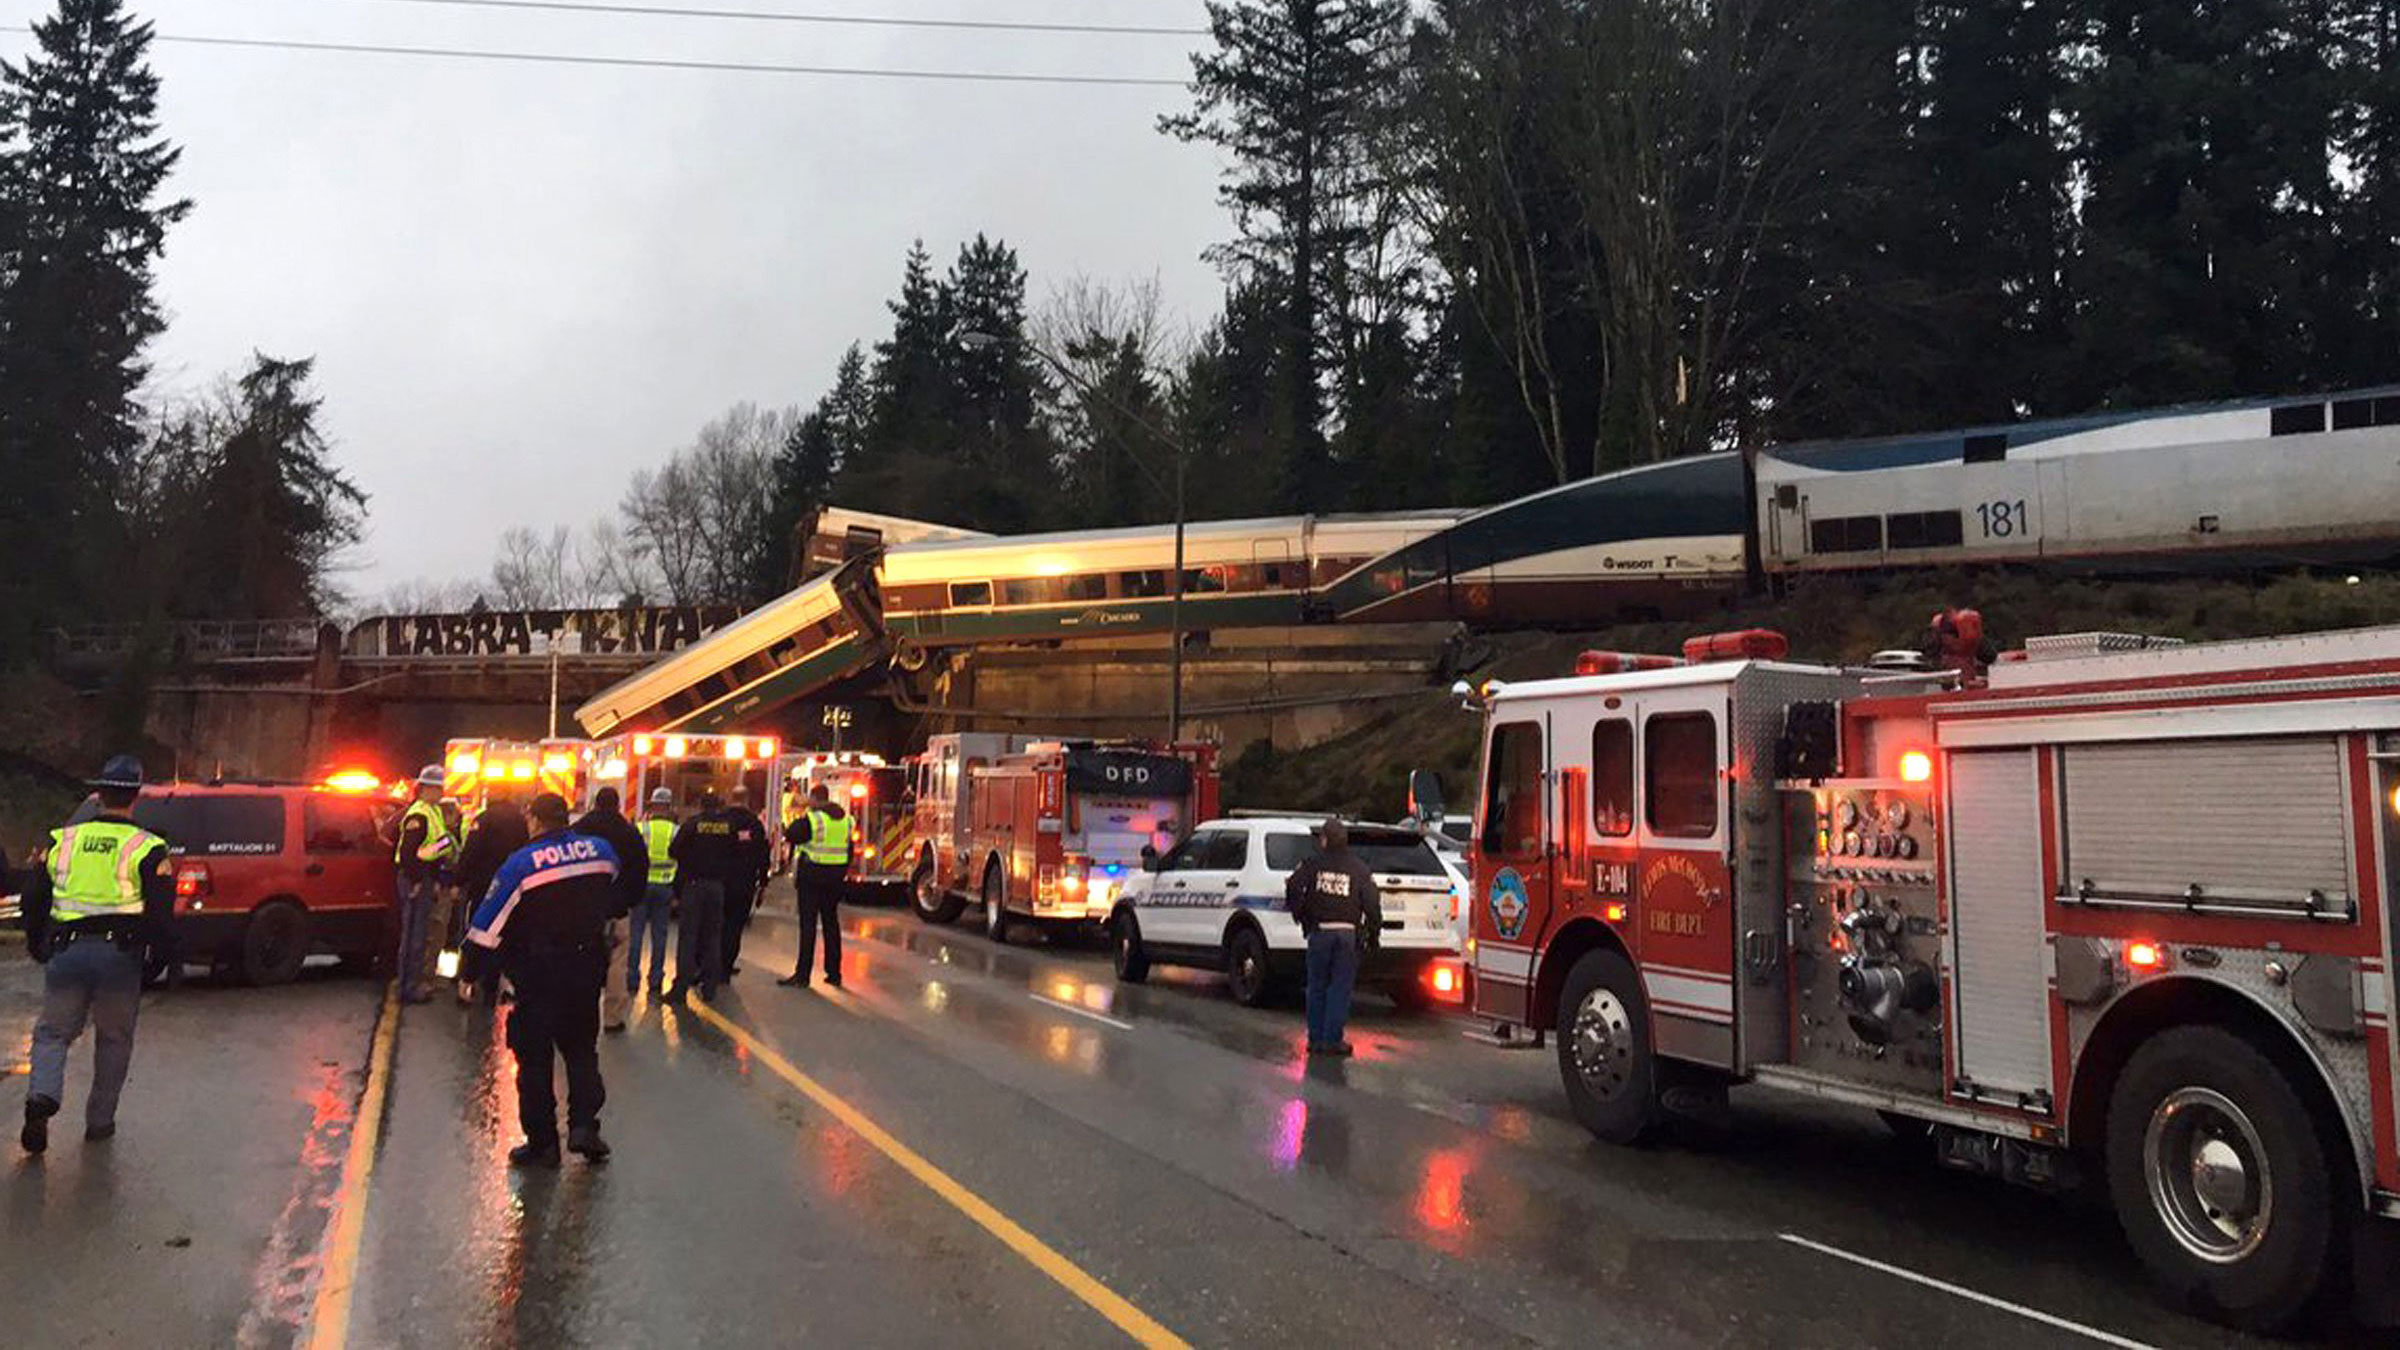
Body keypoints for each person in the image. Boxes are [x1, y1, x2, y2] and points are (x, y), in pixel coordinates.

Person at [21, 755, 174, 1154]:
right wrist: (158, 959)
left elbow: (33, 896)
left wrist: (37, 942)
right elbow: (160, 911)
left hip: (66, 952)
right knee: (113, 1040)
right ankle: (99, 1123)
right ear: (135, 797)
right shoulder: (148, 847)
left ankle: (42, 1098)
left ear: (99, 794)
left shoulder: (61, 840)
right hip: (119, 958)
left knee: (52, 1034)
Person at [466, 792, 617, 1167]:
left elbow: (486, 929)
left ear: (533, 819)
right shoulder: (600, 851)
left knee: (534, 1060)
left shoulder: (519, 866)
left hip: (539, 974)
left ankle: (543, 1144)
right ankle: (584, 1126)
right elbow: (616, 891)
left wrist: (470, 973)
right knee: (582, 1051)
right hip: (586, 969)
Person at [1282, 819, 1382, 1057]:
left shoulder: (1312, 865)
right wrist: (1373, 932)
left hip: (1320, 932)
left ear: (1325, 840)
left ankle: (1315, 1039)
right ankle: (1332, 1040)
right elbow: (1371, 902)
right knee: (1340, 987)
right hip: (1347, 933)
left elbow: (1293, 887)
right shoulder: (1358, 867)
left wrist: (1301, 914)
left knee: (1316, 986)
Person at [572, 786, 648, 1033]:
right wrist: (629, 901)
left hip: (582, 908)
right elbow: (640, 869)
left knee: (579, 960)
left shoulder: (579, 830)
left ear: (595, 803)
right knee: (617, 962)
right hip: (616, 908)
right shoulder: (628, 832)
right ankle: (612, 1018)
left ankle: (577, 1014)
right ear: (617, 805)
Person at [451, 790, 529, 1007]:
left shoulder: (483, 819)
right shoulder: (520, 820)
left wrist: (458, 880)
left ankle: (468, 981)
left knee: (478, 932)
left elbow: (471, 852)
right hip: (512, 886)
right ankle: (493, 984)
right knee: (505, 934)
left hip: (484, 885)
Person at [667, 790, 743, 1004]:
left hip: (694, 885)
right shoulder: (729, 826)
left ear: (700, 805)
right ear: (719, 805)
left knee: (689, 937)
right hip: (717, 887)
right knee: (712, 937)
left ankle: (681, 987)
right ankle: (710, 987)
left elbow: (674, 850)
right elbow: (736, 853)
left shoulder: (693, 825)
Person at [393, 765, 460, 1004]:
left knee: (419, 933)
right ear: (426, 789)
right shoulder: (419, 814)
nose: (442, 793)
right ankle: (408, 988)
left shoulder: (432, 812)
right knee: (414, 935)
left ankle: (411, 985)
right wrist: (418, 880)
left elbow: (432, 850)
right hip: (416, 880)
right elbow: (410, 853)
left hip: (425, 877)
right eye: (438, 788)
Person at [778, 783, 852, 990]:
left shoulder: (814, 818)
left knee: (808, 926)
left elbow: (791, 833)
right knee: (831, 924)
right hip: (835, 878)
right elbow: (849, 850)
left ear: (814, 799)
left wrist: (806, 811)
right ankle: (834, 973)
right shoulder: (846, 820)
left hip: (812, 877)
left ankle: (803, 975)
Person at [720, 785, 771, 978]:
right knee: (735, 926)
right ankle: (726, 966)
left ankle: (711, 965)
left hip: (721, 881)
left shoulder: (721, 820)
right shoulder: (755, 824)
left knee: (717, 924)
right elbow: (763, 855)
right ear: (747, 799)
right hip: (744, 883)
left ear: (730, 797)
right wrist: (763, 884)